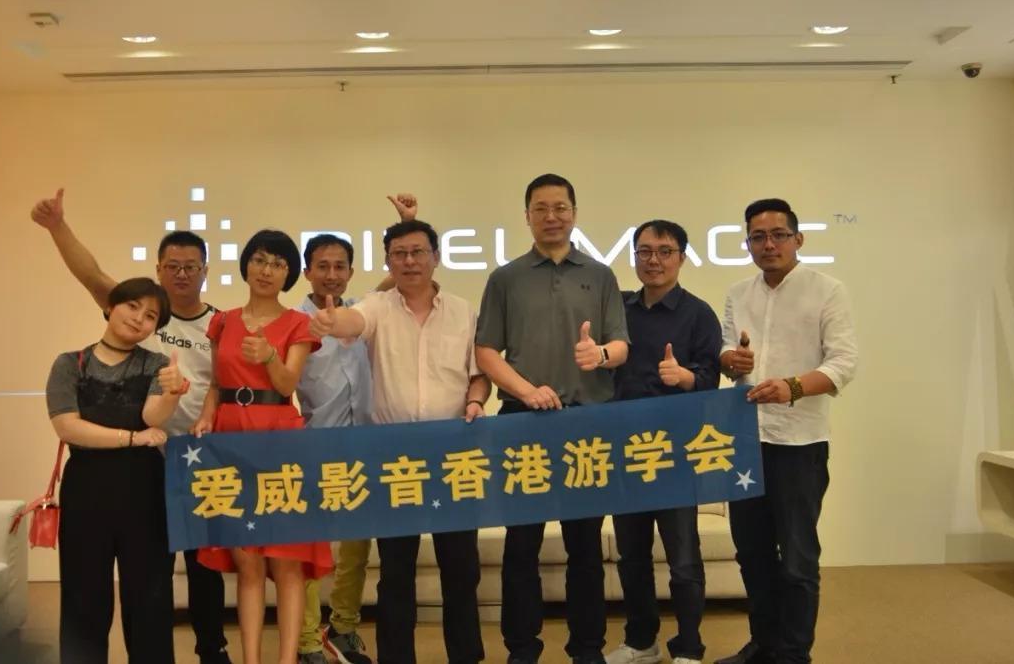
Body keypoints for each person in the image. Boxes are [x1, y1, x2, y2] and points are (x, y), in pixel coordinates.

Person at [31, 189, 232, 664]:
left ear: (205, 271)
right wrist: (58, 226)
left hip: (198, 458)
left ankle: (212, 649)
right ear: (158, 269)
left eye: (191, 266)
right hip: (146, 458)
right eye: (172, 265)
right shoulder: (123, 328)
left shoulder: (222, 324)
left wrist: (195, 408)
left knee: (199, 566)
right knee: (117, 582)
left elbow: (222, 385)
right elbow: (90, 273)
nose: (181, 273)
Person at [309, 219, 491, 664]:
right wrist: (333, 320)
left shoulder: (464, 311)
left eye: (418, 252)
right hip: (395, 458)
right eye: (399, 254)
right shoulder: (376, 307)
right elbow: (352, 321)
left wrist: (475, 400)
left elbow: (479, 374)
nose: (409, 261)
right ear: (388, 261)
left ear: (436, 257)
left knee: (461, 570)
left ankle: (466, 657)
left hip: (453, 455)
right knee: (396, 572)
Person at [474, 173, 629, 664]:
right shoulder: (505, 278)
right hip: (523, 422)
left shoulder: (601, 275)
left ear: (574, 213)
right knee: (522, 545)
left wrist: (599, 354)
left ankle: (587, 649)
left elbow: (621, 346)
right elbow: (486, 351)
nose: (551, 216)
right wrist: (526, 391)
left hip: (587, 425)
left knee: (585, 546)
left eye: (560, 207)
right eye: (540, 208)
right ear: (527, 216)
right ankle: (522, 649)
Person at [714, 199, 858, 664]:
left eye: (778, 235)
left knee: (797, 560)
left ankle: (794, 654)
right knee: (752, 555)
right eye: (758, 237)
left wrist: (792, 387)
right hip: (745, 442)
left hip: (799, 444)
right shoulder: (738, 293)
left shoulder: (827, 290)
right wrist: (730, 360)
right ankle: (764, 644)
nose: (768, 244)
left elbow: (844, 363)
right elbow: (726, 352)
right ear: (747, 244)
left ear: (798, 238)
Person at [192, 229, 333, 664]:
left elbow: (288, 384)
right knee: (247, 561)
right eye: (259, 260)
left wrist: (269, 356)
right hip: (231, 437)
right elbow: (216, 383)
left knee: (286, 561)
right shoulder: (223, 321)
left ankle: (287, 659)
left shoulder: (297, 324)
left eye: (277, 263)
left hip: (279, 437)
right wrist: (206, 416)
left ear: (289, 274)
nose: (266, 270)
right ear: (246, 265)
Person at [296, 193, 417, 664]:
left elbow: (399, 277)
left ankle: (343, 627)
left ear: (349, 271)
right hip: (313, 444)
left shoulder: (364, 311)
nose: (332, 274)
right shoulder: (294, 323)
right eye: (322, 266)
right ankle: (308, 639)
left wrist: (406, 223)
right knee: (310, 547)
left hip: (365, 443)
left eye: (340, 266)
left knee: (356, 547)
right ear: (307, 271)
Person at [45, 277, 184, 664]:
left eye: (150, 315)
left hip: (145, 490)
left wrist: (172, 393)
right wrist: (132, 438)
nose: (139, 318)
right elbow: (67, 426)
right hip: (86, 489)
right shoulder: (70, 363)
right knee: (83, 598)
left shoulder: (157, 365)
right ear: (110, 307)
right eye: (132, 306)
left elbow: (152, 418)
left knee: (150, 598)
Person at [604, 220, 721, 664]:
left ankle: (689, 647)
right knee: (631, 556)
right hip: (625, 452)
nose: (654, 260)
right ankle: (641, 641)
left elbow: (712, 379)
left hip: (675, 454)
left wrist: (686, 376)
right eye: (645, 251)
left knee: (683, 559)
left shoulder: (699, 314)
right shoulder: (619, 309)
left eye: (665, 251)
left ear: (682, 258)